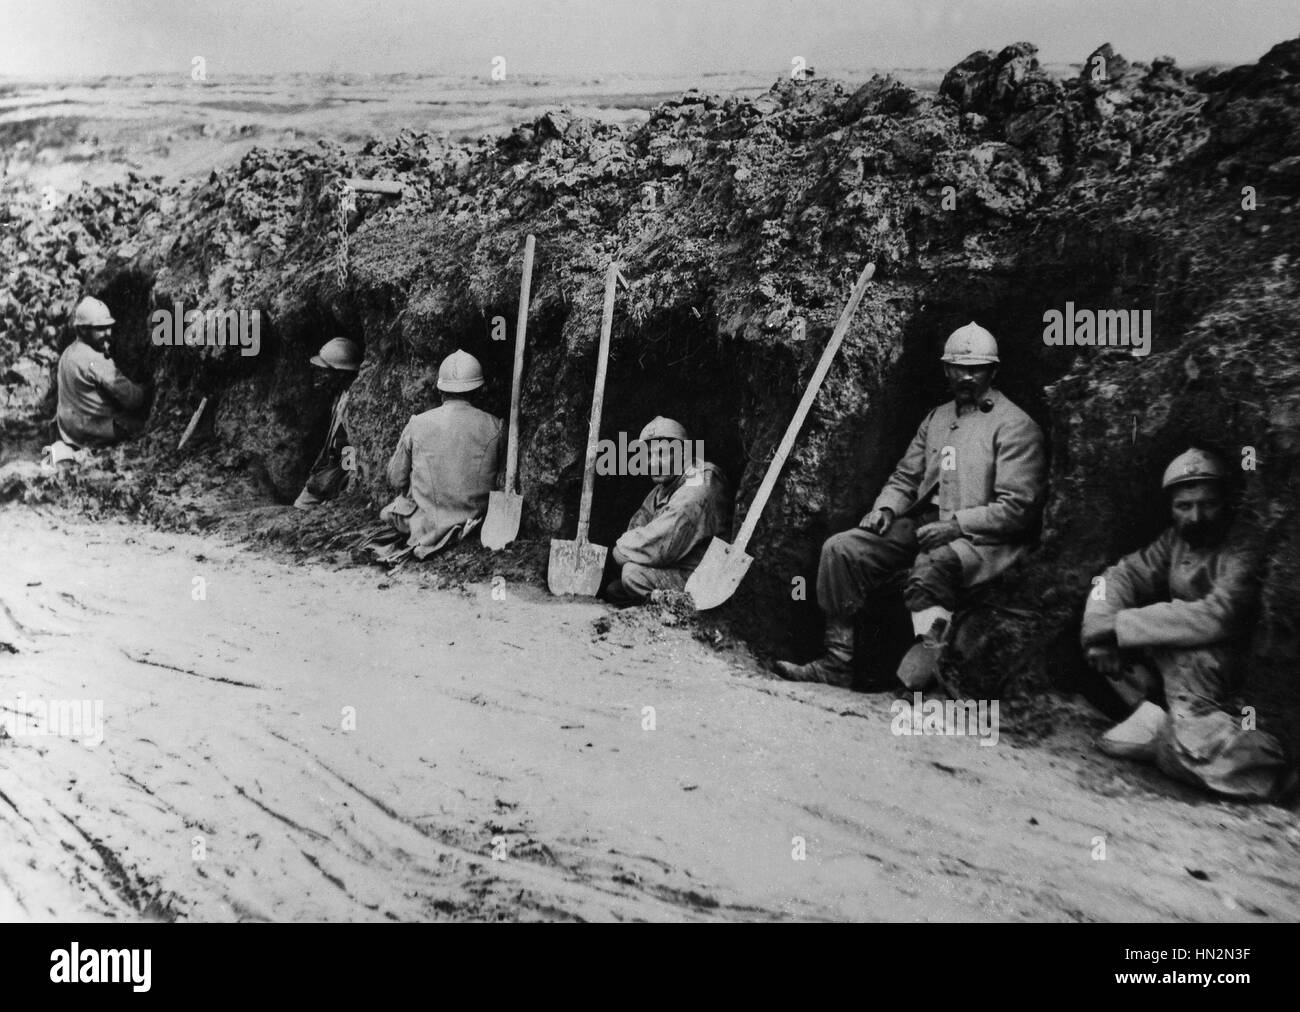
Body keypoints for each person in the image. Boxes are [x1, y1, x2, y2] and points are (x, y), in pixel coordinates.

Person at [775, 322, 1047, 689]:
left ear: (992, 371)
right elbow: (905, 478)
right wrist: (886, 509)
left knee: (929, 572)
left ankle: (925, 681)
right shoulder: (937, 418)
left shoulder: (1015, 426)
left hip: (980, 539)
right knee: (841, 551)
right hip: (923, 523)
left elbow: (1018, 509)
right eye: (958, 368)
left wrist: (957, 526)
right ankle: (837, 663)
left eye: (976, 369)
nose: (966, 377)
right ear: (946, 370)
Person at [1081, 448, 1291, 801]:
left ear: (1227, 502)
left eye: (1207, 504)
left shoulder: (1244, 545)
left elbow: (1219, 615)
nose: (1196, 516)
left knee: (1184, 747)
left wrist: (1119, 627)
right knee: (1088, 657)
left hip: (1220, 666)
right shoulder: (1175, 540)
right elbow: (1122, 575)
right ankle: (1161, 722)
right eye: (1184, 506)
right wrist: (1099, 628)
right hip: (1174, 654)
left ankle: (1184, 739)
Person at [381, 350, 504, 558]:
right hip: (476, 524)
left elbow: (396, 479)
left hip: (427, 526)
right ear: (478, 391)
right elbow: (501, 482)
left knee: (387, 513)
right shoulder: (497, 427)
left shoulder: (417, 423)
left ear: (440, 390)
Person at [605, 416, 732, 602]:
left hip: (704, 575)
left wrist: (622, 551)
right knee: (615, 588)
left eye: (662, 453)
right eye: (648, 455)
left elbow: (663, 542)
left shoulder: (701, 481)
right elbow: (638, 523)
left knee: (631, 575)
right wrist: (629, 550)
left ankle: (678, 610)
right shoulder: (664, 487)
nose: (653, 462)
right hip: (677, 565)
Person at [56, 296, 149, 448]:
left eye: (109, 327)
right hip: (94, 433)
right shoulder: (95, 359)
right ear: (82, 329)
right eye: (100, 328)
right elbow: (133, 400)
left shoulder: (67, 353)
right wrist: (151, 387)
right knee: (145, 425)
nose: (108, 333)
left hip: (69, 431)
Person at [294, 337, 361, 509]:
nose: (321, 376)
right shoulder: (339, 395)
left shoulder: (355, 401)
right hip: (328, 468)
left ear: (340, 373)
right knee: (301, 505)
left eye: (326, 371)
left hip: (339, 472)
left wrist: (345, 485)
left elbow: (351, 447)